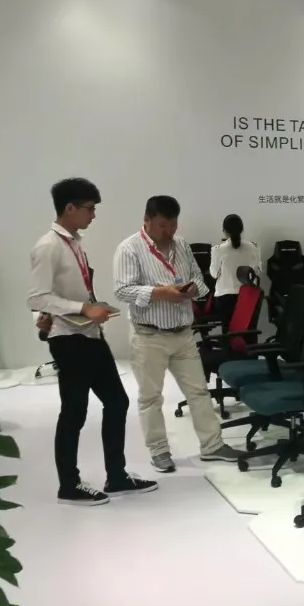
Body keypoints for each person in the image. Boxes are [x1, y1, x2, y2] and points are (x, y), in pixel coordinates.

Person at [28, 178, 157, 506]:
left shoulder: (73, 243)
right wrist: (84, 308)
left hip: (88, 335)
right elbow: (37, 297)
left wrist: (91, 307)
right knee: (74, 412)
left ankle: (117, 476)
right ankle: (68, 486)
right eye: (90, 208)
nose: (94, 215)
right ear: (69, 208)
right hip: (69, 339)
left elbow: (61, 293)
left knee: (117, 402)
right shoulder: (48, 246)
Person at [112, 195, 241, 473]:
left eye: (173, 225)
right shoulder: (129, 248)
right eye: (162, 226)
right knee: (151, 397)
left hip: (183, 334)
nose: (168, 232)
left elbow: (197, 276)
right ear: (146, 220)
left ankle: (212, 445)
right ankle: (159, 450)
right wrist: (161, 293)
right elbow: (122, 290)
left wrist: (194, 289)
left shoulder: (180, 244)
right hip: (149, 335)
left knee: (198, 391)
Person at [210, 214, 261, 330]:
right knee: (248, 331)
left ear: (224, 231)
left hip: (225, 297)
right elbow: (257, 271)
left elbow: (214, 274)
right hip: (247, 296)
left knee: (228, 331)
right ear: (241, 230)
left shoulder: (218, 250)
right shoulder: (253, 247)